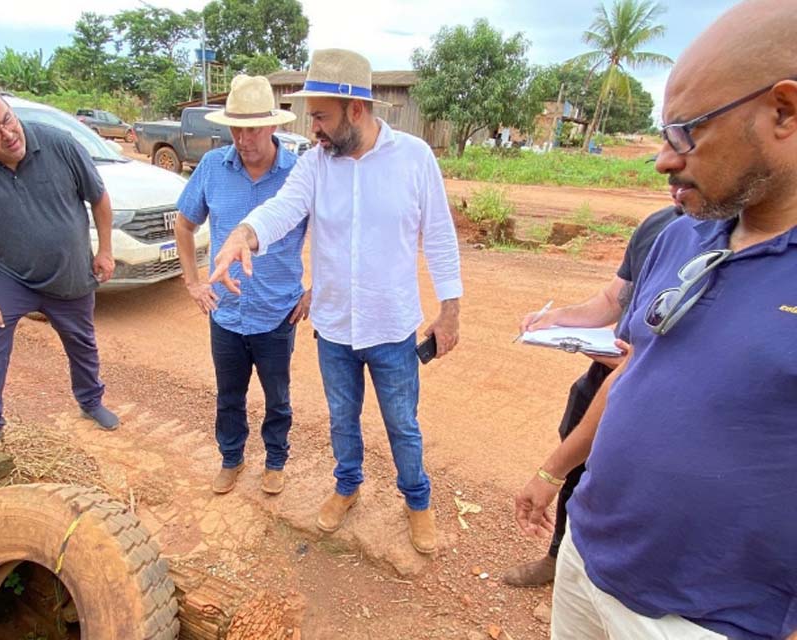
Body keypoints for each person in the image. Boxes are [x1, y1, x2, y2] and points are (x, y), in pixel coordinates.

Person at [514, 1, 797, 637]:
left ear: (784, 110)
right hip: (588, 564)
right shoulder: (681, 236)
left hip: (704, 619)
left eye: (687, 133)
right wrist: (552, 470)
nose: (666, 160)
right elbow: (636, 370)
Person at [209, 49, 462, 555]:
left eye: (321, 117)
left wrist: (450, 310)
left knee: (402, 425)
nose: (314, 129)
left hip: (392, 329)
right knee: (342, 420)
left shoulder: (414, 158)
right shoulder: (315, 166)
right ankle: (347, 487)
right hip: (333, 330)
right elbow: (282, 209)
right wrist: (244, 233)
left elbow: (439, 234)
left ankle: (417, 502)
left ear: (356, 110)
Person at [502, 203, 681, 587]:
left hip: (657, 402)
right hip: (601, 382)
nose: (671, 170)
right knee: (576, 475)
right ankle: (558, 558)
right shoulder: (659, 224)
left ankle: (621, 581)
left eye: (687, 150)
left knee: (635, 490)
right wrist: (556, 318)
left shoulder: (738, 245)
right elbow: (612, 301)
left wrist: (640, 363)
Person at [0, 77, 120, 460]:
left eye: (8, 119)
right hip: (10, 273)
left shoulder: (58, 142)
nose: (8, 134)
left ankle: (90, 401)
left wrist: (105, 251)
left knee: (82, 343)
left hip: (70, 271)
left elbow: (100, 199)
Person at [174, 75, 310, 496]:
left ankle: (275, 461)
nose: (244, 138)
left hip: (277, 313)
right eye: (236, 128)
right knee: (228, 395)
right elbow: (184, 222)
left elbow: (331, 233)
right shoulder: (214, 168)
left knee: (277, 397)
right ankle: (231, 459)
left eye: (252, 128)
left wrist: (315, 288)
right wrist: (193, 282)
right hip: (227, 314)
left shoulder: (298, 175)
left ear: (273, 126)